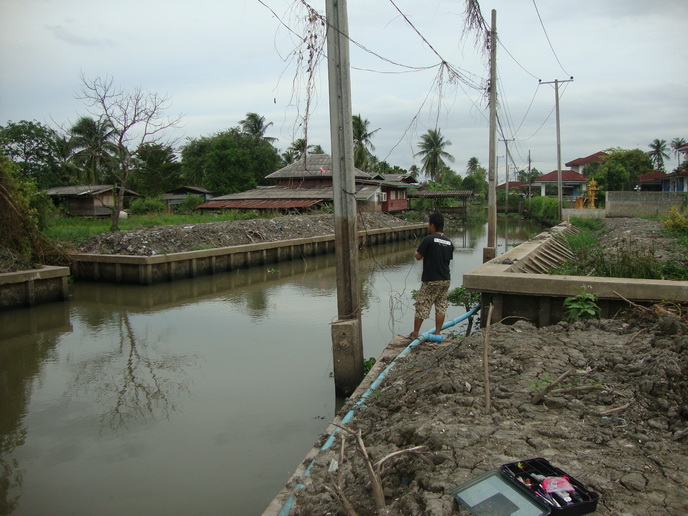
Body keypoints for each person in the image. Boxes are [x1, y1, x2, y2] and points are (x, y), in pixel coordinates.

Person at [408, 212, 454, 341]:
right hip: (445, 279)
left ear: (432, 225)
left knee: (422, 305)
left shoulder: (428, 239)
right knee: (441, 306)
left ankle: (415, 333)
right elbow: (446, 258)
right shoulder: (449, 242)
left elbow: (418, 257)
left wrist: (416, 251)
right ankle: (437, 333)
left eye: (429, 224)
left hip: (431, 279)